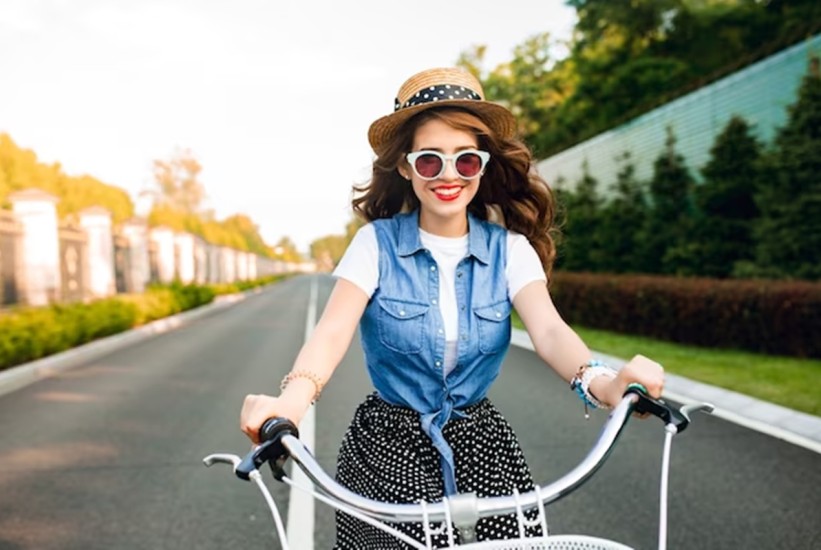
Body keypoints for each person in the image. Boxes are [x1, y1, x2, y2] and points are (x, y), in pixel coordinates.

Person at [240, 67, 665, 548]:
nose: (448, 176)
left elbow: (548, 331)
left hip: (482, 447)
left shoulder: (511, 251)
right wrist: (288, 408)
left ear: (482, 166)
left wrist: (604, 385)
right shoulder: (374, 246)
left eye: (465, 161)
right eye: (429, 161)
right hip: (386, 448)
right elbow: (331, 336)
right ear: (405, 167)